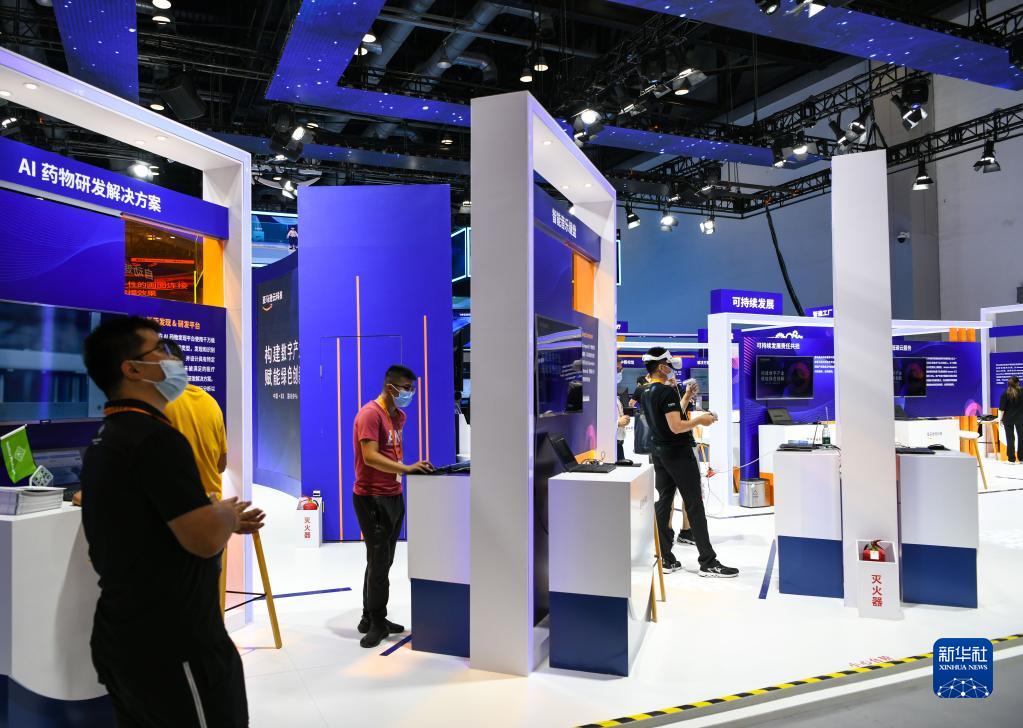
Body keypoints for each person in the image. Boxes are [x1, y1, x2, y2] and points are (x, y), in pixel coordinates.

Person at [80, 316, 263, 727]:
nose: (172, 358)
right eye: (160, 349)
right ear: (132, 369)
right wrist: (225, 514)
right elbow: (203, 539)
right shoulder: (156, 439)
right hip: (176, 646)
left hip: (123, 636)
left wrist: (216, 516)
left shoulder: (106, 439)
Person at [353, 364, 434, 648]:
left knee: (382, 560)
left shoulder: (398, 416)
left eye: (412, 389)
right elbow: (370, 456)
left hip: (393, 494)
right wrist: (407, 468)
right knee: (378, 562)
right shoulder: (369, 414)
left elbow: (390, 453)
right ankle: (376, 621)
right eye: (406, 389)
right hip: (371, 498)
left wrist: (404, 471)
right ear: (391, 388)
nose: (410, 394)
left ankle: (369, 616)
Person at [640, 347, 738, 577]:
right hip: (678, 453)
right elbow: (676, 427)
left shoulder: (646, 391)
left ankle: (664, 557)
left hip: (660, 453)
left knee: (664, 501)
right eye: (668, 364)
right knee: (694, 503)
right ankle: (708, 562)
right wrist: (701, 420)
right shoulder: (666, 391)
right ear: (661, 366)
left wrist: (684, 398)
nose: (671, 368)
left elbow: (668, 419)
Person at [1000, 375, 1023, 464]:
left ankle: (1011, 459)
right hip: (1020, 418)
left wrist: (1000, 419)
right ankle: (1021, 458)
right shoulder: (1022, 391)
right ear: (1018, 383)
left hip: (1008, 419)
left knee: (1010, 438)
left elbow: (1002, 409)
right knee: (1021, 437)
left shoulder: (1005, 393)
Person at [616, 360, 631, 461]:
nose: (620, 372)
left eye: (621, 369)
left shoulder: (613, 394)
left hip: (618, 442)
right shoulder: (600, 393)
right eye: (618, 369)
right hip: (608, 444)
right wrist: (618, 423)